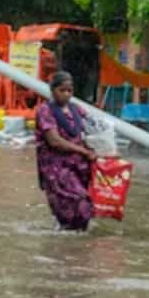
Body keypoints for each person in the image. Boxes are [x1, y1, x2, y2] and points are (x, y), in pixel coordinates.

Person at [35, 70, 98, 231]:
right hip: (56, 169)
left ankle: (74, 248)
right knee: (77, 200)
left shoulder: (76, 109)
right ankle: (65, 243)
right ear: (52, 90)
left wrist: (100, 148)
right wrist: (83, 151)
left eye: (69, 90)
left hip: (79, 168)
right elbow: (55, 141)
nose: (66, 94)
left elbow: (93, 129)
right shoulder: (45, 110)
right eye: (61, 90)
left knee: (84, 208)